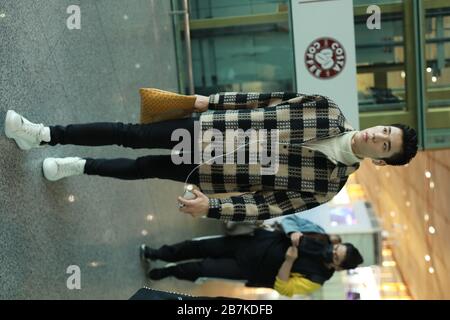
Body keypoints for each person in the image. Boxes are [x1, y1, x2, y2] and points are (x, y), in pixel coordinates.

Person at [4, 90, 418, 222]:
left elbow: (262, 207)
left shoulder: (327, 186)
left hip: (216, 171)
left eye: (384, 144)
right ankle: (42, 135)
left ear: (380, 160)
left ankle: (77, 167)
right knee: (129, 134)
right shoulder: (326, 109)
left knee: (143, 167)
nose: (376, 136)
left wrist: (212, 207)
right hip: (213, 129)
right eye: (384, 130)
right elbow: (267, 98)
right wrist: (212, 101)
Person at [139, 227, 363, 297]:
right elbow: (287, 224)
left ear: (339, 267)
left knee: (202, 268)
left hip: (248, 269)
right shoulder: (321, 238)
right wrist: (294, 232)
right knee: (197, 246)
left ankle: (168, 273)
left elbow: (284, 288)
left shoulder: (317, 279)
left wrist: (289, 261)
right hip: (248, 243)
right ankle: (157, 254)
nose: (331, 251)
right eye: (335, 249)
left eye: (335, 256)